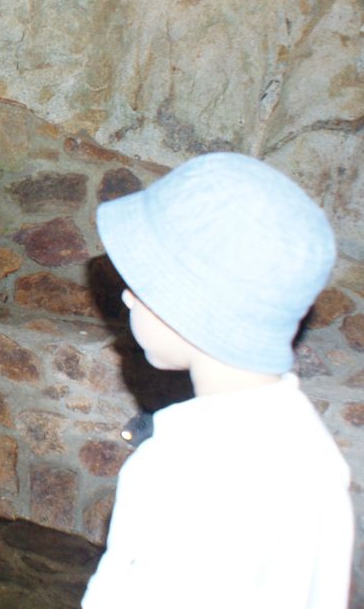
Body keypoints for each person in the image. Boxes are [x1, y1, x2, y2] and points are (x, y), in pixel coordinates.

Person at [82, 152, 354, 608]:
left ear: (190, 306)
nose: (127, 296)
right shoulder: (312, 452)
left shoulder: (175, 473)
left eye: (144, 285)